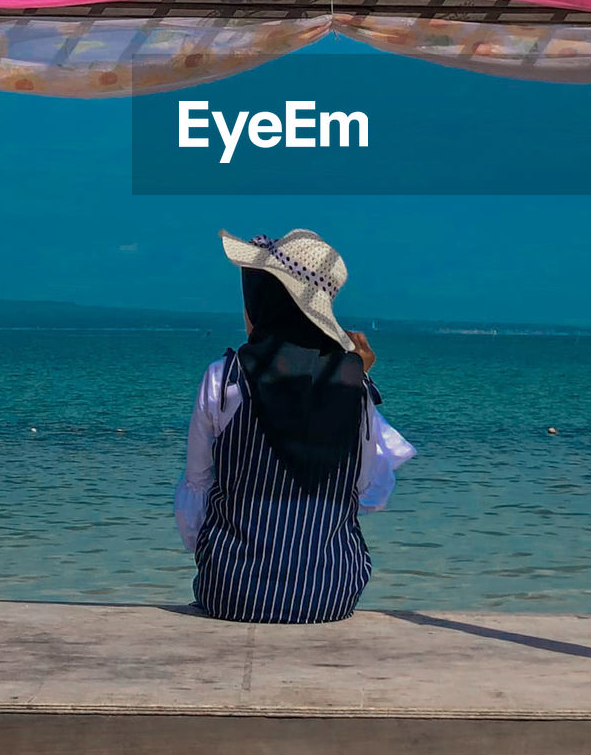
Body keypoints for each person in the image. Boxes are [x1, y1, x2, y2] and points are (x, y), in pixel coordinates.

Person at [174, 229, 416, 624]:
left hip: (232, 593)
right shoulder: (355, 388)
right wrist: (357, 373)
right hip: (331, 594)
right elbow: (370, 494)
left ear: (265, 301)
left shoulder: (224, 379)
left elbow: (196, 494)